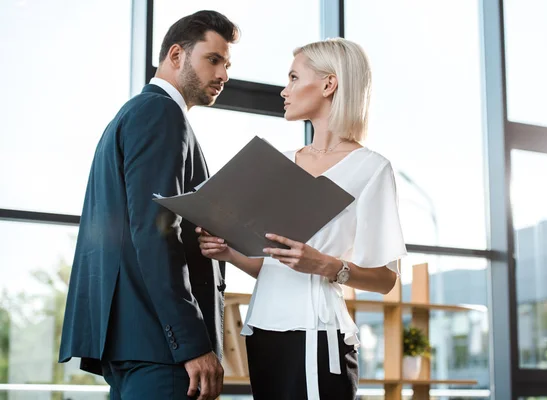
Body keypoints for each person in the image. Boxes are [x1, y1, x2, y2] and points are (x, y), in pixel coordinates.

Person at [197, 38, 407, 400]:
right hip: (263, 329)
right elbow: (272, 265)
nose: (284, 90)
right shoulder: (278, 162)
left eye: (294, 78)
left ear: (329, 84)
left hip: (318, 335)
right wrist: (229, 252)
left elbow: (386, 279)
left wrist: (328, 265)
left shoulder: (371, 169)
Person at [58, 11, 239, 400]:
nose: (224, 74)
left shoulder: (133, 114)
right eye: (213, 59)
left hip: (134, 344)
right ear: (176, 55)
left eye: (227, 64)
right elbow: (156, 230)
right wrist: (192, 342)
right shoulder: (161, 113)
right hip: (164, 351)